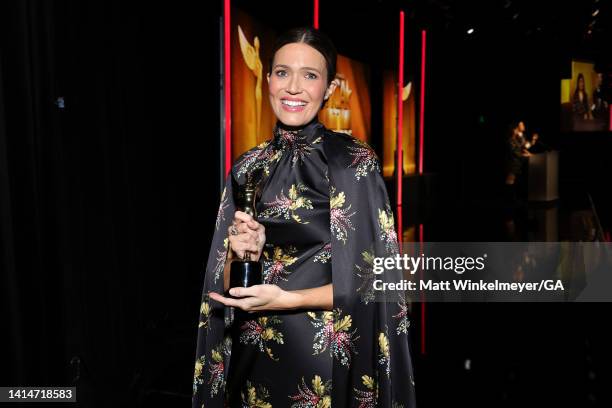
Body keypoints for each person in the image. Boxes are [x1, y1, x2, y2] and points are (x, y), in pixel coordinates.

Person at [192, 27, 417, 407]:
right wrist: (241, 255)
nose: (293, 87)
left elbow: (376, 283)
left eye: (309, 76)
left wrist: (284, 300)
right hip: (253, 353)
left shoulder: (352, 163)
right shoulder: (249, 165)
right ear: (268, 81)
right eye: (282, 73)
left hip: (321, 359)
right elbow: (229, 283)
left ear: (329, 89)